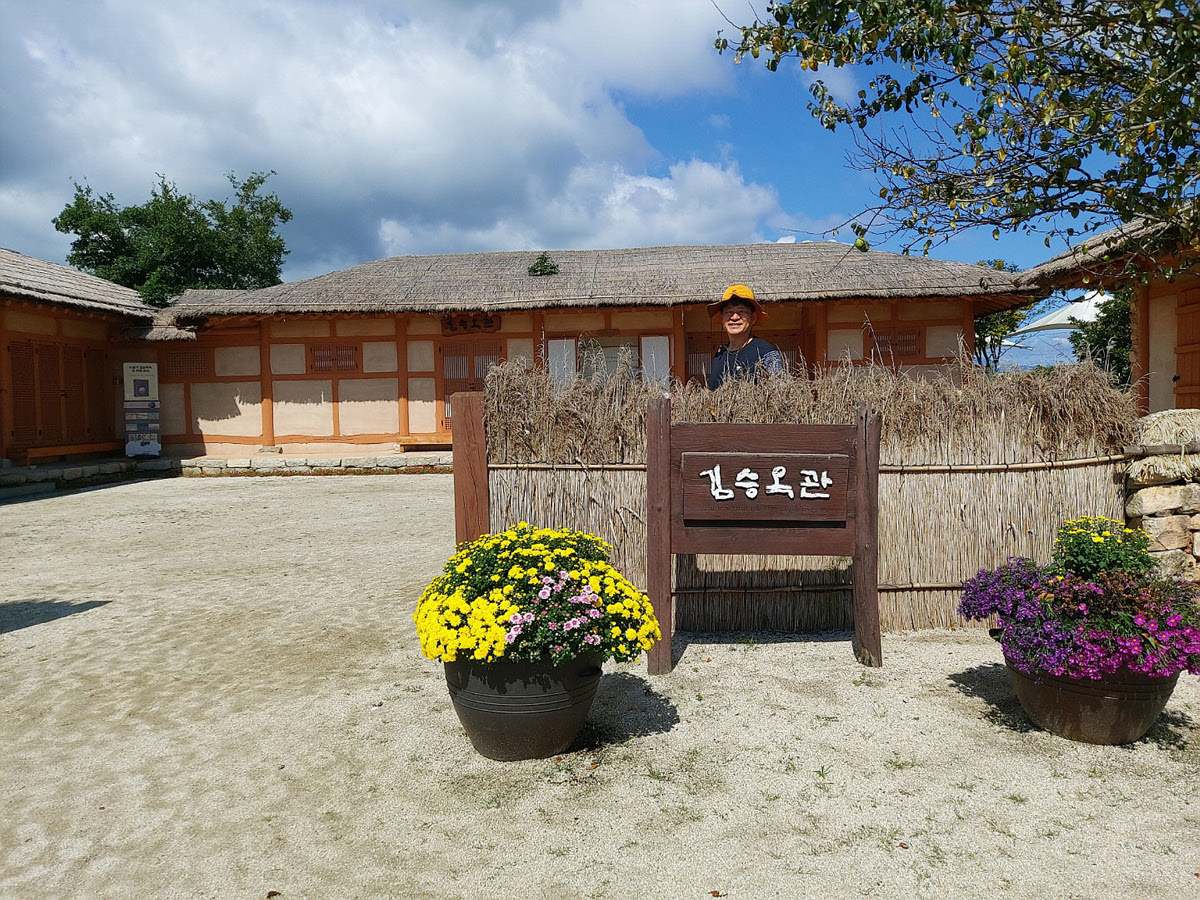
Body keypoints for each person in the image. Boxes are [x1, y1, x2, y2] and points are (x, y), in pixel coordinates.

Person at [706, 284, 785, 389]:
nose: (734, 317)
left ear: (753, 318)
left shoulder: (765, 353)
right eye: (729, 312)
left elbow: (781, 390)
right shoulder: (719, 355)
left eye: (741, 311)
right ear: (722, 319)